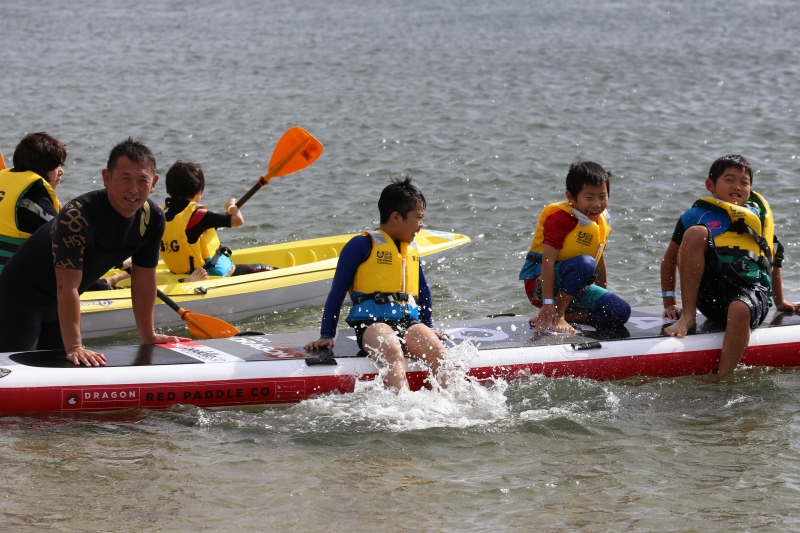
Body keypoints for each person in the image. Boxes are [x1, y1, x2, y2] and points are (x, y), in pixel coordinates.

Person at [0, 138, 187, 365]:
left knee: (65, 373)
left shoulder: (153, 218)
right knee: (15, 373)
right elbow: (66, 285)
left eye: (142, 180)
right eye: (125, 179)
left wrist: (148, 336)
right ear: (107, 178)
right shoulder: (77, 217)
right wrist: (76, 346)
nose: (134, 189)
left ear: (154, 182)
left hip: (59, 307)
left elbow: (144, 280)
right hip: (19, 300)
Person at [661, 154, 800, 378]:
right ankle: (688, 316)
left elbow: (770, 257)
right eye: (729, 180)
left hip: (750, 295)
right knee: (696, 233)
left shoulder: (757, 217)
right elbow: (669, 260)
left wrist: (780, 302)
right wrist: (669, 302)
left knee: (739, 307)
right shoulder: (695, 217)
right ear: (711, 185)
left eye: (744, 182)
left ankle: (722, 380)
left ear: (751, 188)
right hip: (712, 300)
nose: (737, 186)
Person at [304, 176, 448, 392]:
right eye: (418, 218)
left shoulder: (409, 250)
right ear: (396, 217)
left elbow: (423, 292)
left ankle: (446, 406)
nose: (422, 224)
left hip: (408, 322)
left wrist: (428, 325)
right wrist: (327, 335)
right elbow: (337, 292)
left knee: (438, 352)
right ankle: (405, 409)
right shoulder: (360, 245)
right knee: (392, 351)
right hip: (371, 325)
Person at [520, 161, 631, 333]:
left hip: (575, 288)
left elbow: (599, 260)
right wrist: (548, 302)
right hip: (541, 286)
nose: (597, 204)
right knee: (586, 263)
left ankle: (559, 315)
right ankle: (557, 314)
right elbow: (548, 261)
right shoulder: (559, 219)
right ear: (570, 197)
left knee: (621, 312)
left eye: (603, 196)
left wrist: (601, 296)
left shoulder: (600, 222)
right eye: (589, 197)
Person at [159, 160, 274, 278]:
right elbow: (238, 220)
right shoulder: (198, 215)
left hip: (180, 276)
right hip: (212, 275)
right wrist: (231, 206)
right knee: (266, 269)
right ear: (198, 191)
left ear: (170, 190)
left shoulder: (161, 217)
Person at [0, 132, 66, 273]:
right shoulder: (32, 202)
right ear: (41, 167)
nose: (61, 172)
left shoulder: (7, 188)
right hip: (15, 284)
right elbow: (68, 241)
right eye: (56, 166)